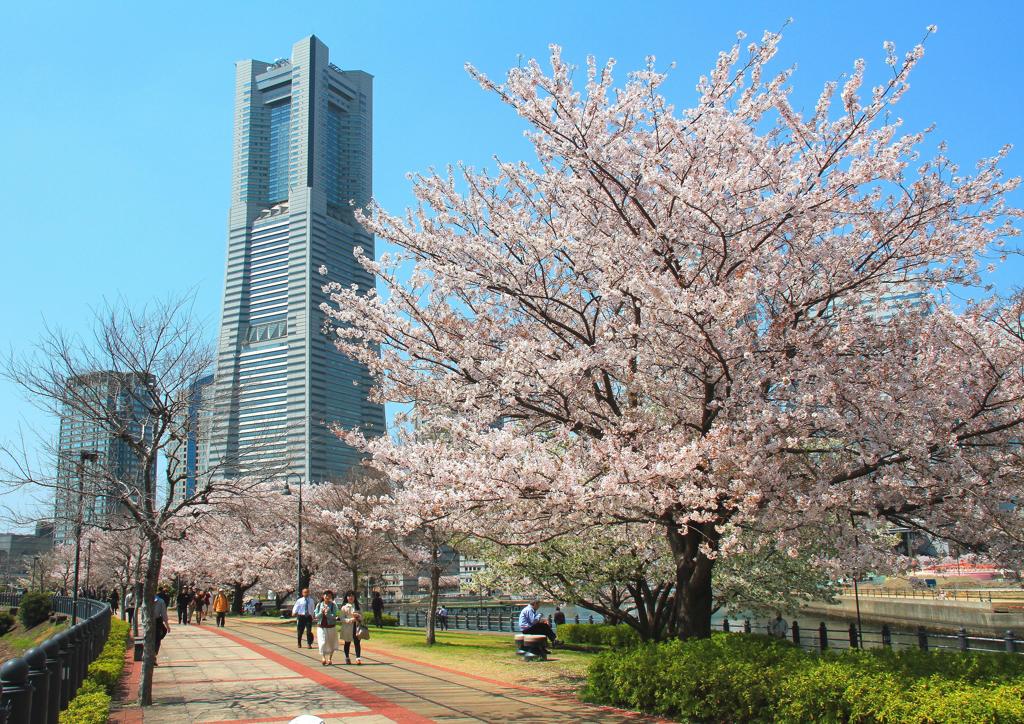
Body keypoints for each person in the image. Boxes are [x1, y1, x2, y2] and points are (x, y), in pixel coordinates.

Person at [314, 590, 340, 666]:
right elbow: (316, 616)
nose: (327, 597)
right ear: (323, 596)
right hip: (321, 626)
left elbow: (335, 616)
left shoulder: (333, 605)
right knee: (322, 641)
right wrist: (321, 613)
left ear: (331, 597)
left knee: (331, 642)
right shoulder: (319, 605)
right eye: (326, 595)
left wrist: (328, 614)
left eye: (329, 595)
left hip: (331, 626)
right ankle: (323, 657)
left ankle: (330, 659)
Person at [340, 591, 363, 665]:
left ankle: (358, 658)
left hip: (356, 627)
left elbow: (363, 616)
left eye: (352, 596)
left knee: (357, 642)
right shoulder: (344, 607)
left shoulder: (358, 606)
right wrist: (350, 620)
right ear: (346, 598)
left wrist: (358, 616)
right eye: (349, 596)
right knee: (347, 642)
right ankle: (347, 657)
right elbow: (342, 618)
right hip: (347, 627)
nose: (351, 597)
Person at [149, 594, 170, 666]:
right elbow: (164, 614)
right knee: (157, 639)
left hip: (151, 622)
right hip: (157, 621)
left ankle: (152, 655)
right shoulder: (160, 601)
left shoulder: (146, 600)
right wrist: (167, 625)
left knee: (153, 638)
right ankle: (153, 655)